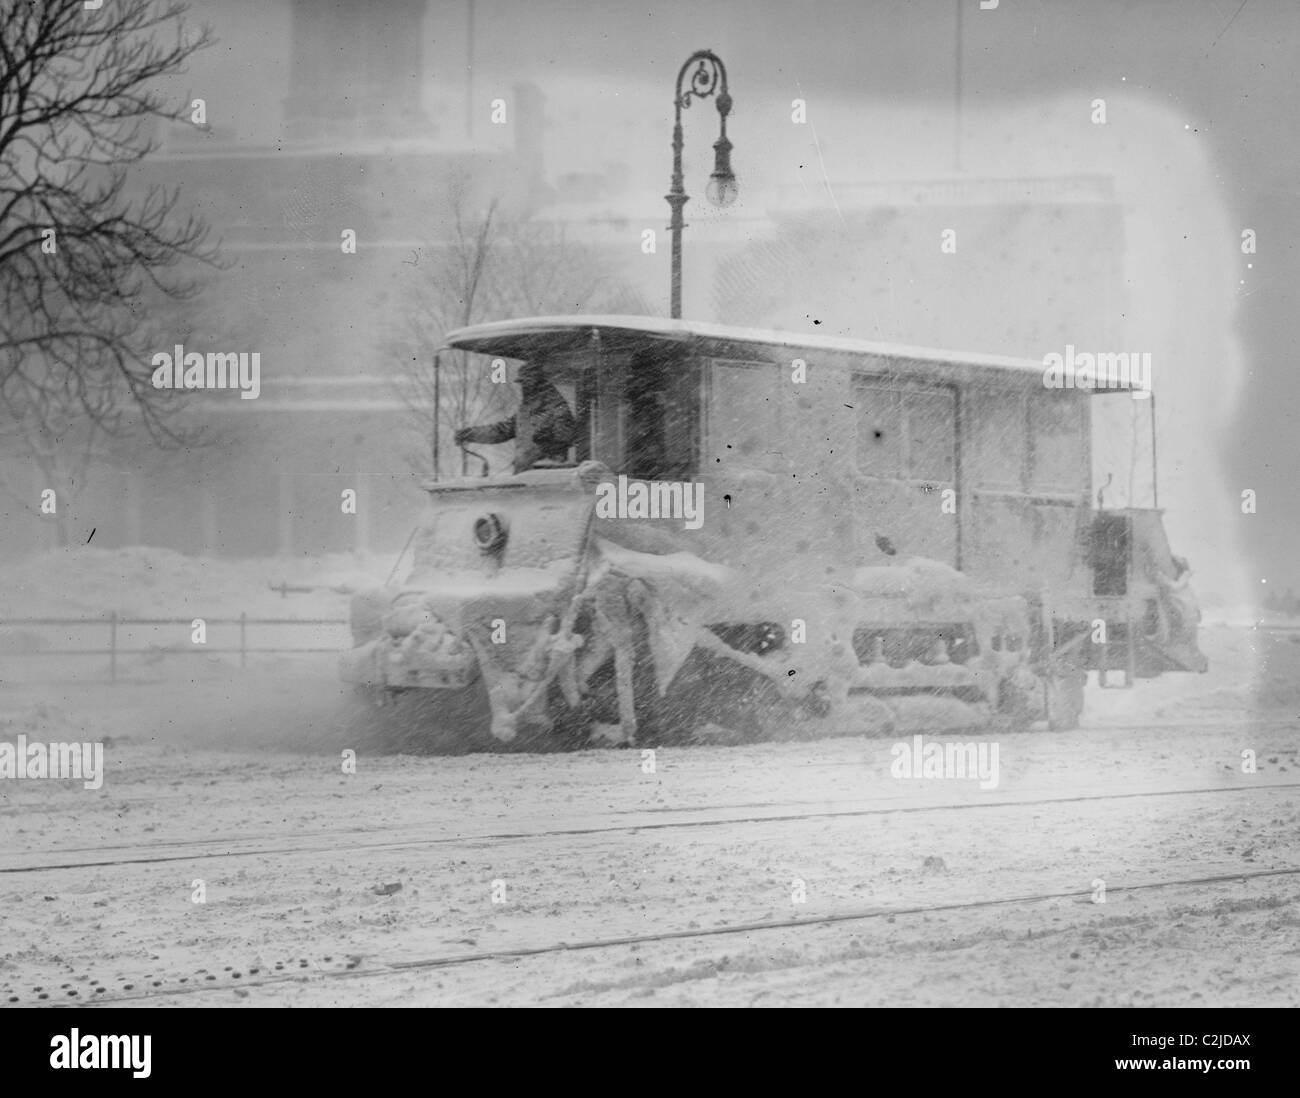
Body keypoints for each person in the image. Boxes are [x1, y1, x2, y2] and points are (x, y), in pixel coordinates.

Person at [454, 360, 577, 473]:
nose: (524, 387)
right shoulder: (525, 411)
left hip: (547, 479)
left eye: (527, 382)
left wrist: (548, 444)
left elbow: (566, 438)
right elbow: (502, 430)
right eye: (522, 382)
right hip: (524, 475)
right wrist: (470, 434)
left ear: (539, 383)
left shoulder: (558, 409)